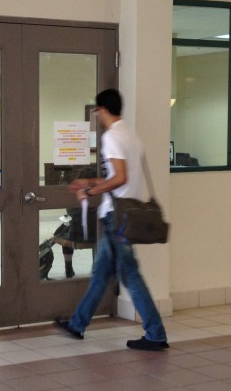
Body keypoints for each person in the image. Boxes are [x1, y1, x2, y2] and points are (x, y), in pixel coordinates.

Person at [54, 88, 169, 351]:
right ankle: (78, 324)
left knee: (130, 276)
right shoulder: (131, 136)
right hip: (124, 215)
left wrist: (89, 191)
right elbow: (119, 176)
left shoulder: (113, 137)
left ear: (103, 109)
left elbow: (119, 178)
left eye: (97, 110)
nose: (97, 115)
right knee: (101, 273)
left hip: (116, 218)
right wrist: (89, 181)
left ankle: (156, 333)